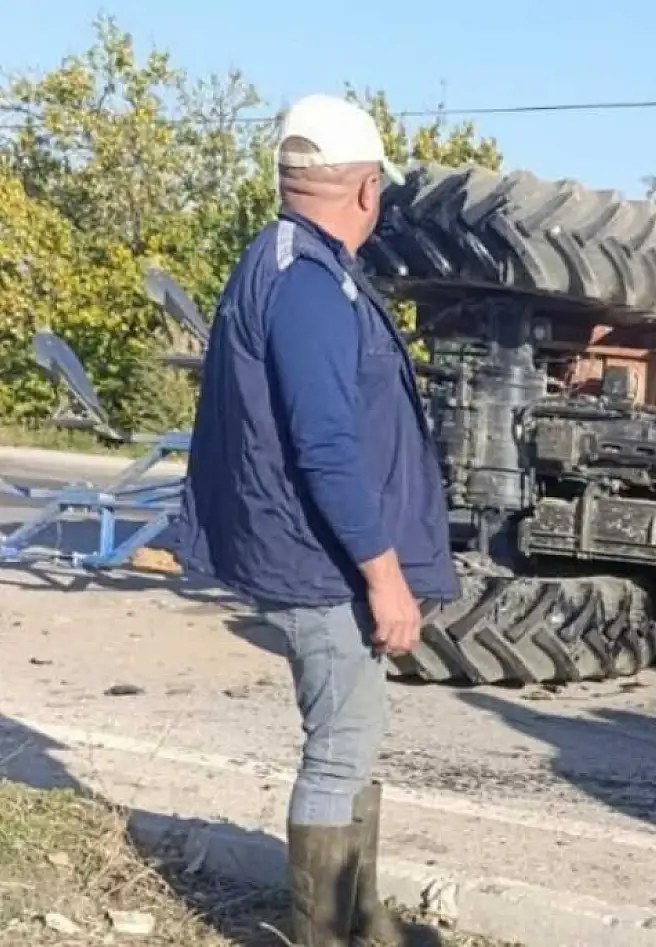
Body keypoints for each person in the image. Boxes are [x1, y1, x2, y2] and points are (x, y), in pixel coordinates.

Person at [170, 93, 459, 946]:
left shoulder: (286, 261)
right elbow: (325, 448)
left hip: (309, 550)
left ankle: (360, 922)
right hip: (320, 561)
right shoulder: (307, 284)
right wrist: (385, 575)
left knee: (354, 734)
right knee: (340, 745)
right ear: (367, 190)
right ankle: (331, 933)